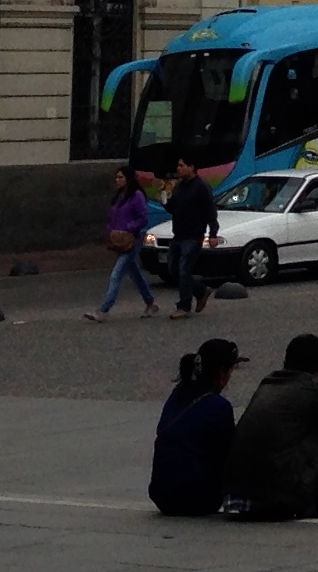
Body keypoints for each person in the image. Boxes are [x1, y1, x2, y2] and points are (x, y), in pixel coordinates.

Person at [221, 334, 318, 520]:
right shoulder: (314, 390)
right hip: (277, 499)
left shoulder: (268, 383)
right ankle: (313, 510)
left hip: (236, 496)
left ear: (286, 360)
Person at [149, 338, 244, 518]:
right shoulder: (218, 405)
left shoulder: (177, 395)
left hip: (161, 494)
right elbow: (230, 453)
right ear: (222, 373)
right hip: (198, 499)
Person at [86, 167, 158, 321]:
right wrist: (110, 232)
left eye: (120, 177)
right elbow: (111, 217)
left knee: (116, 274)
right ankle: (150, 303)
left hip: (132, 240)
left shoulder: (136, 195)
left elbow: (143, 218)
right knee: (135, 273)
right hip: (119, 240)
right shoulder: (119, 196)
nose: (117, 180)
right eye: (116, 177)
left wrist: (127, 228)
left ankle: (103, 310)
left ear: (128, 179)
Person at [162, 162, 219, 317]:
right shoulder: (180, 187)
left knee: (184, 270)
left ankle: (184, 307)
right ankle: (201, 290)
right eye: (178, 165)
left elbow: (210, 211)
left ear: (192, 167)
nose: (178, 168)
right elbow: (173, 208)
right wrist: (164, 198)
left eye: (181, 165)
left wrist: (213, 234)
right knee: (173, 271)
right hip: (178, 235)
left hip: (193, 237)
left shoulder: (201, 187)